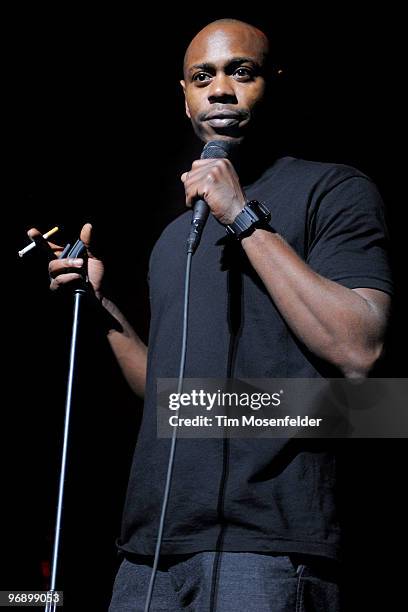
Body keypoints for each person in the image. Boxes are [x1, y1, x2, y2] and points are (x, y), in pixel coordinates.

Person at [29, 18, 392, 611]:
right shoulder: (176, 238)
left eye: (240, 72)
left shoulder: (334, 190)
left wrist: (243, 217)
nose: (220, 89)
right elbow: (170, 398)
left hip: (268, 549)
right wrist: (101, 307)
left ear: (273, 82)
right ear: (185, 96)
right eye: (203, 77)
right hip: (149, 553)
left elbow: (361, 353)